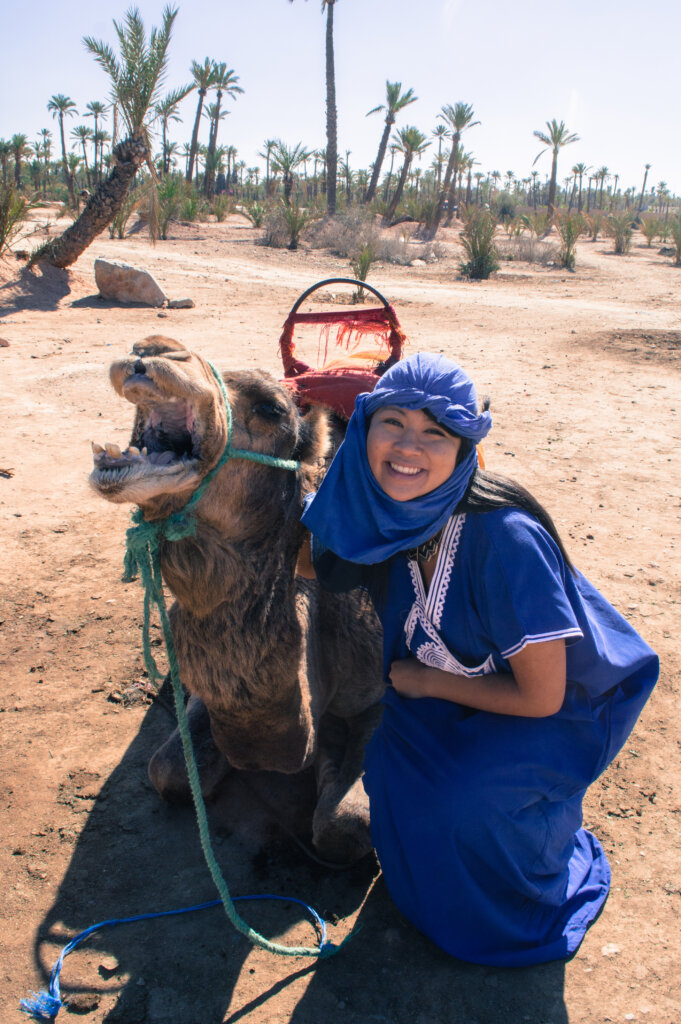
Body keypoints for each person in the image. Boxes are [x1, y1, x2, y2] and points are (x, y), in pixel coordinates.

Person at [298, 352, 658, 968]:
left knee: (463, 799)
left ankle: (512, 912)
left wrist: (425, 681)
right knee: (389, 765)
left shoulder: (504, 539)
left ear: (464, 447)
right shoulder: (392, 514)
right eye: (392, 423)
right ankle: (429, 895)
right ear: (364, 430)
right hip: (455, 687)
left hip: (550, 710)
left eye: (435, 432)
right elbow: (315, 558)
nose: (408, 446)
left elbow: (542, 697)